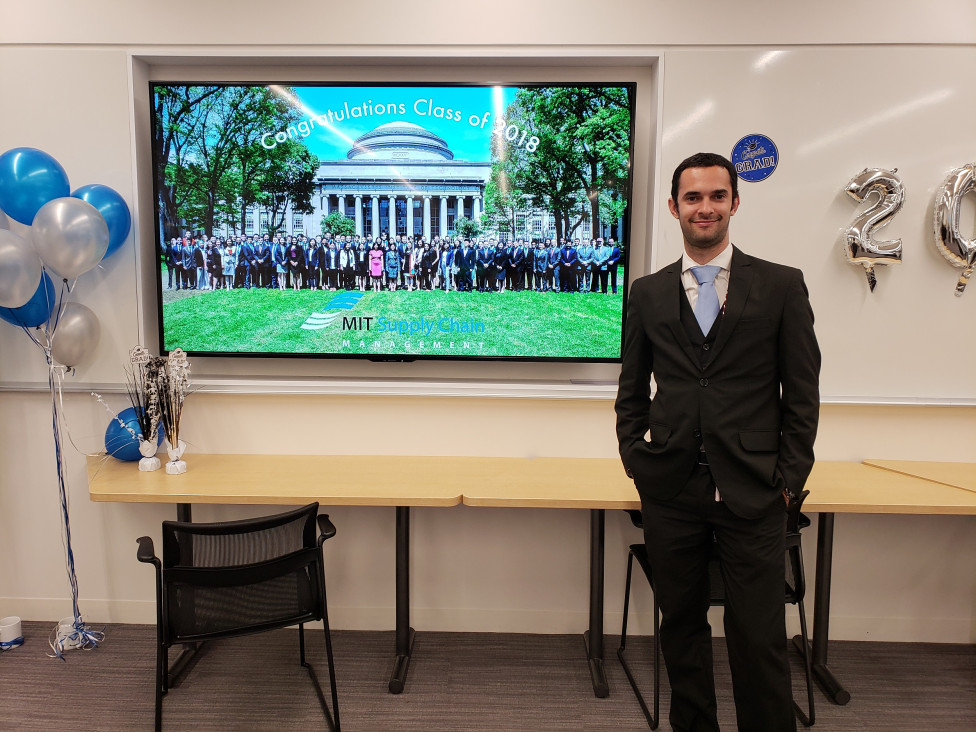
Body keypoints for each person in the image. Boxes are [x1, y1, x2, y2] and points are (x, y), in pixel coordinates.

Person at [614, 152, 821, 732]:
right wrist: (636, 457)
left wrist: (787, 482)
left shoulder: (781, 285)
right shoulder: (648, 293)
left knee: (758, 636)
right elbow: (631, 389)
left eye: (716, 196)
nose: (704, 207)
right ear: (675, 206)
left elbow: (802, 393)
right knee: (680, 627)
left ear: (734, 201)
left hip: (753, 492)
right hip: (671, 488)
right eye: (693, 197)